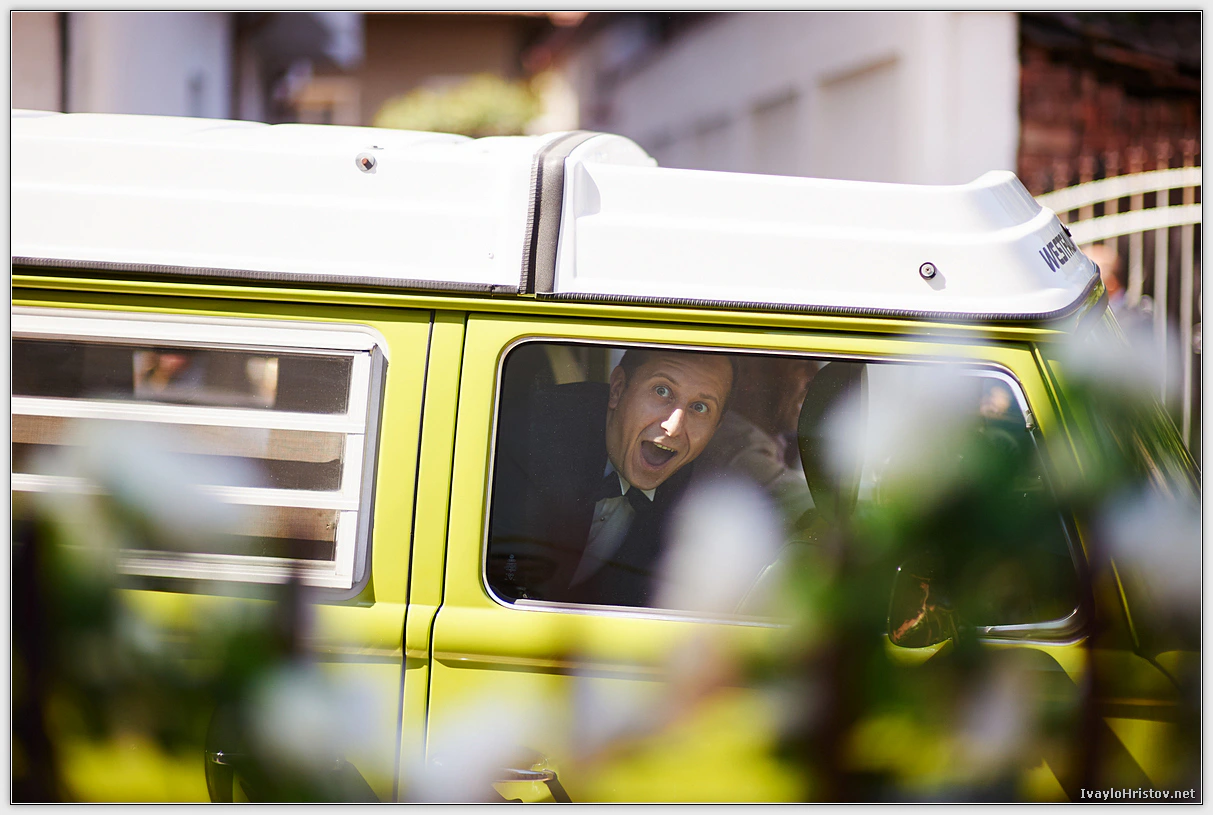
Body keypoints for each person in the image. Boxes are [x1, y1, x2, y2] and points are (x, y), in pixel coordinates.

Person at [487, 348, 735, 608]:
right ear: (617, 389)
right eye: (661, 391)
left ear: (715, 428)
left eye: (700, 407)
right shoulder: (532, 437)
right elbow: (506, 592)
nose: (674, 428)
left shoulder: (688, 485)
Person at [693, 355, 818, 527]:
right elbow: (819, 507)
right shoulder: (737, 446)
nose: (814, 376)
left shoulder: (766, 439)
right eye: (801, 364)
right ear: (749, 375)